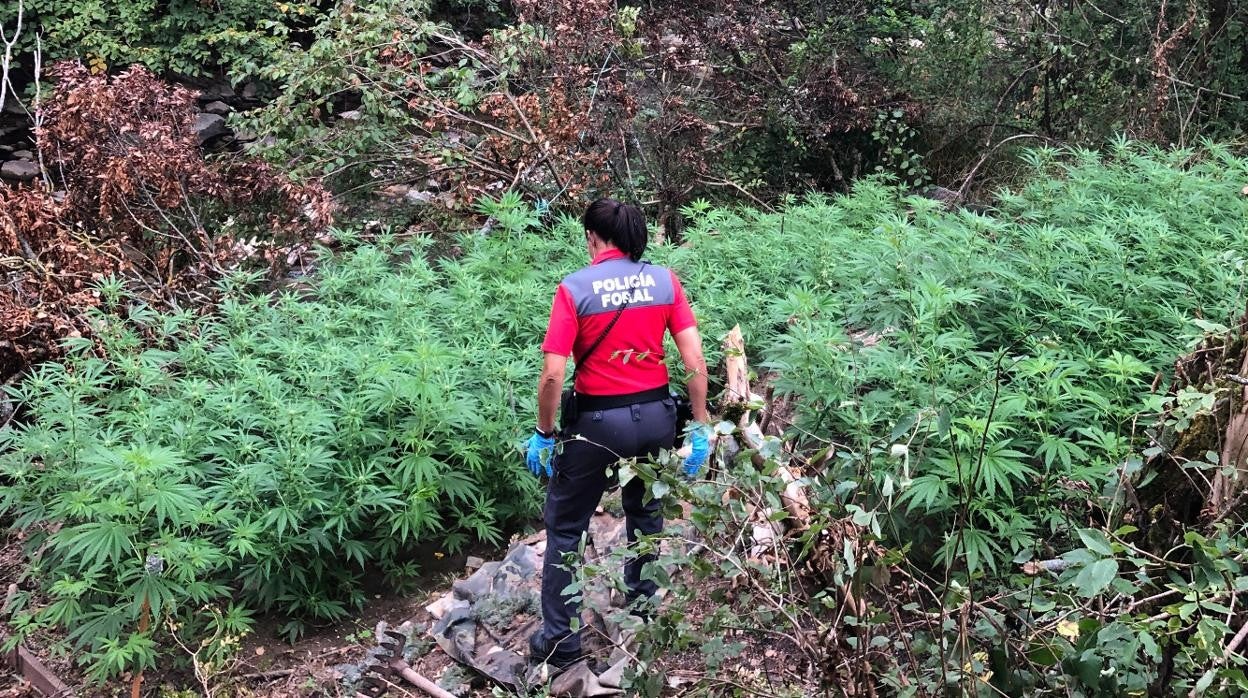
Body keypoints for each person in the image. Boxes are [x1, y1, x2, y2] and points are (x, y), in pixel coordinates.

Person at [524, 198, 711, 669]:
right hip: (655, 418)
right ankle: (644, 614)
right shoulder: (664, 281)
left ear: (593, 237)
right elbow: (694, 361)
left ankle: (561, 641)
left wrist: (544, 433)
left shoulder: (574, 289)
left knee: (566, 527)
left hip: (596, 425)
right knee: (645, 515)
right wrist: (702, 426)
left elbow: (552, 376)